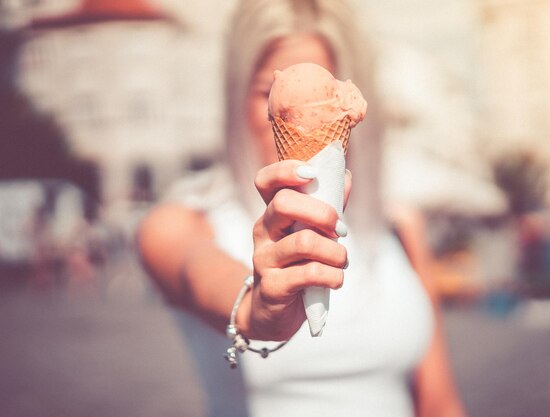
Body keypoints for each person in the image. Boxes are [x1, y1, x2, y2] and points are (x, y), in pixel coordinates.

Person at [137, 0, 467, 416]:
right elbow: (198, 274)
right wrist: (256, 309)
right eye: (267, 95)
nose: (300, 122)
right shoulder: (181, 221)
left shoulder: (399, 226)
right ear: (237, 96)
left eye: (326, 100)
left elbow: (439, 404)